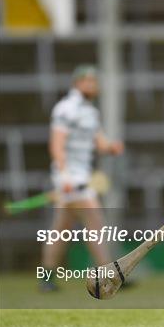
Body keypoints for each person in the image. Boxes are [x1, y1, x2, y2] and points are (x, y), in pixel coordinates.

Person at [39, 64, 124, 291]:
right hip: (68, 177)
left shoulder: (90, 112)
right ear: (77, 83)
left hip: (82, 177)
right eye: (88, 81)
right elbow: (56, 146)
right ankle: (110, 276)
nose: (93, 86)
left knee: (61, 228)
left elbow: (100, 143)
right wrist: (64, 176)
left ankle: (46, 276)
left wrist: (111, 148)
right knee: (95, 221)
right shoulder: (65, 108)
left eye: (95, 82)